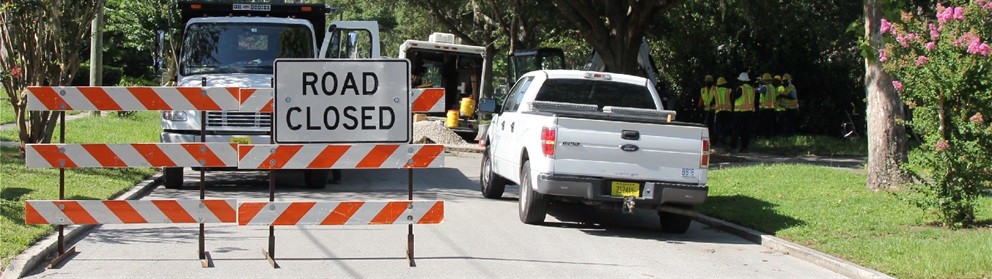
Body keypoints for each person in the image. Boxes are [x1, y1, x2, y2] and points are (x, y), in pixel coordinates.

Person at [730, 72, 758, 153]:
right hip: (749, 113)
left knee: (736, 130)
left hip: (740, 112)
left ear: (741, 81)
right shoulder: (752, 89)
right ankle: (744, 147)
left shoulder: (741, 88)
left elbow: (734, 97)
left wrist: (735, 89)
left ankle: (732, 146)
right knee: (746, 131)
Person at [712, 76, 733, 149]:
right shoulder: (729, 91)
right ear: (724, 83)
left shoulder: (715, 92)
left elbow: (713, 101)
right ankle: (723, 137)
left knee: (719, 125)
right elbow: (732, 100)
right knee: (726, 125)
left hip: (718, 111)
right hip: (727, 111)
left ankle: (720, 137)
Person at [756, 73, 777, 137]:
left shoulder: (765, 87)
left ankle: (761, 136)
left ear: (764, 80)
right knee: (769, 124)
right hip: (771, 108)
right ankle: (769, 136)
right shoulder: (772, 87)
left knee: (761, 124)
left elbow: (757, 91)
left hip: (764, 109)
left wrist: (759, 84)